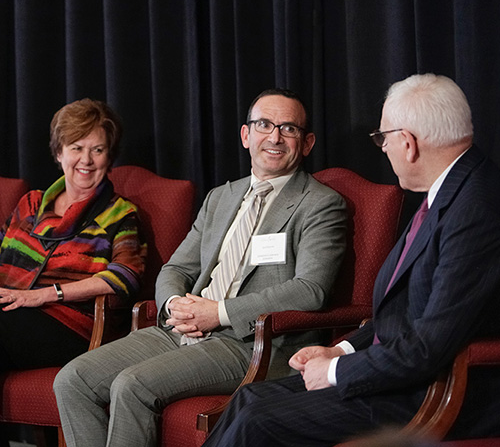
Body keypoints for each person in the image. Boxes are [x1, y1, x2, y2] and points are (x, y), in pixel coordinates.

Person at [202, 74, 500, 447]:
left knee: (257, 421)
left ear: (407, 143)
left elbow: (428, 346)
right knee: (249, 398)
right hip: (401, 375)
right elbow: (401, 312)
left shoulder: (478, 208)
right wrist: (339, 349)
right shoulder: (449, 189)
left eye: (383, 138)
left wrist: (336, 370)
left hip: (435, 392)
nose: (383, 149)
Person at [53, 88, 348, 447]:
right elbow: (176, 267)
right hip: (184, 327)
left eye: (288, 129)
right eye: (264, 125)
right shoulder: (220, 197)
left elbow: (310, 289)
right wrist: (174, 305)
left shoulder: (320, 203)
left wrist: (218, 313)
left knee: (132, 385)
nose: (274, 137)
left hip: (250, 342)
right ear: (245, 135)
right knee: (72, 380)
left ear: (307, 142)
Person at [0, 98, 146, 370]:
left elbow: (126, 276)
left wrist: (45, 294)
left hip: (70, 325)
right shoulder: (30, 204)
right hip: (12, 312)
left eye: (98, 150)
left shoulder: (118, 214)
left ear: (110, 156)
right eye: (76, 148)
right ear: (59, 153)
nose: (86, 160)